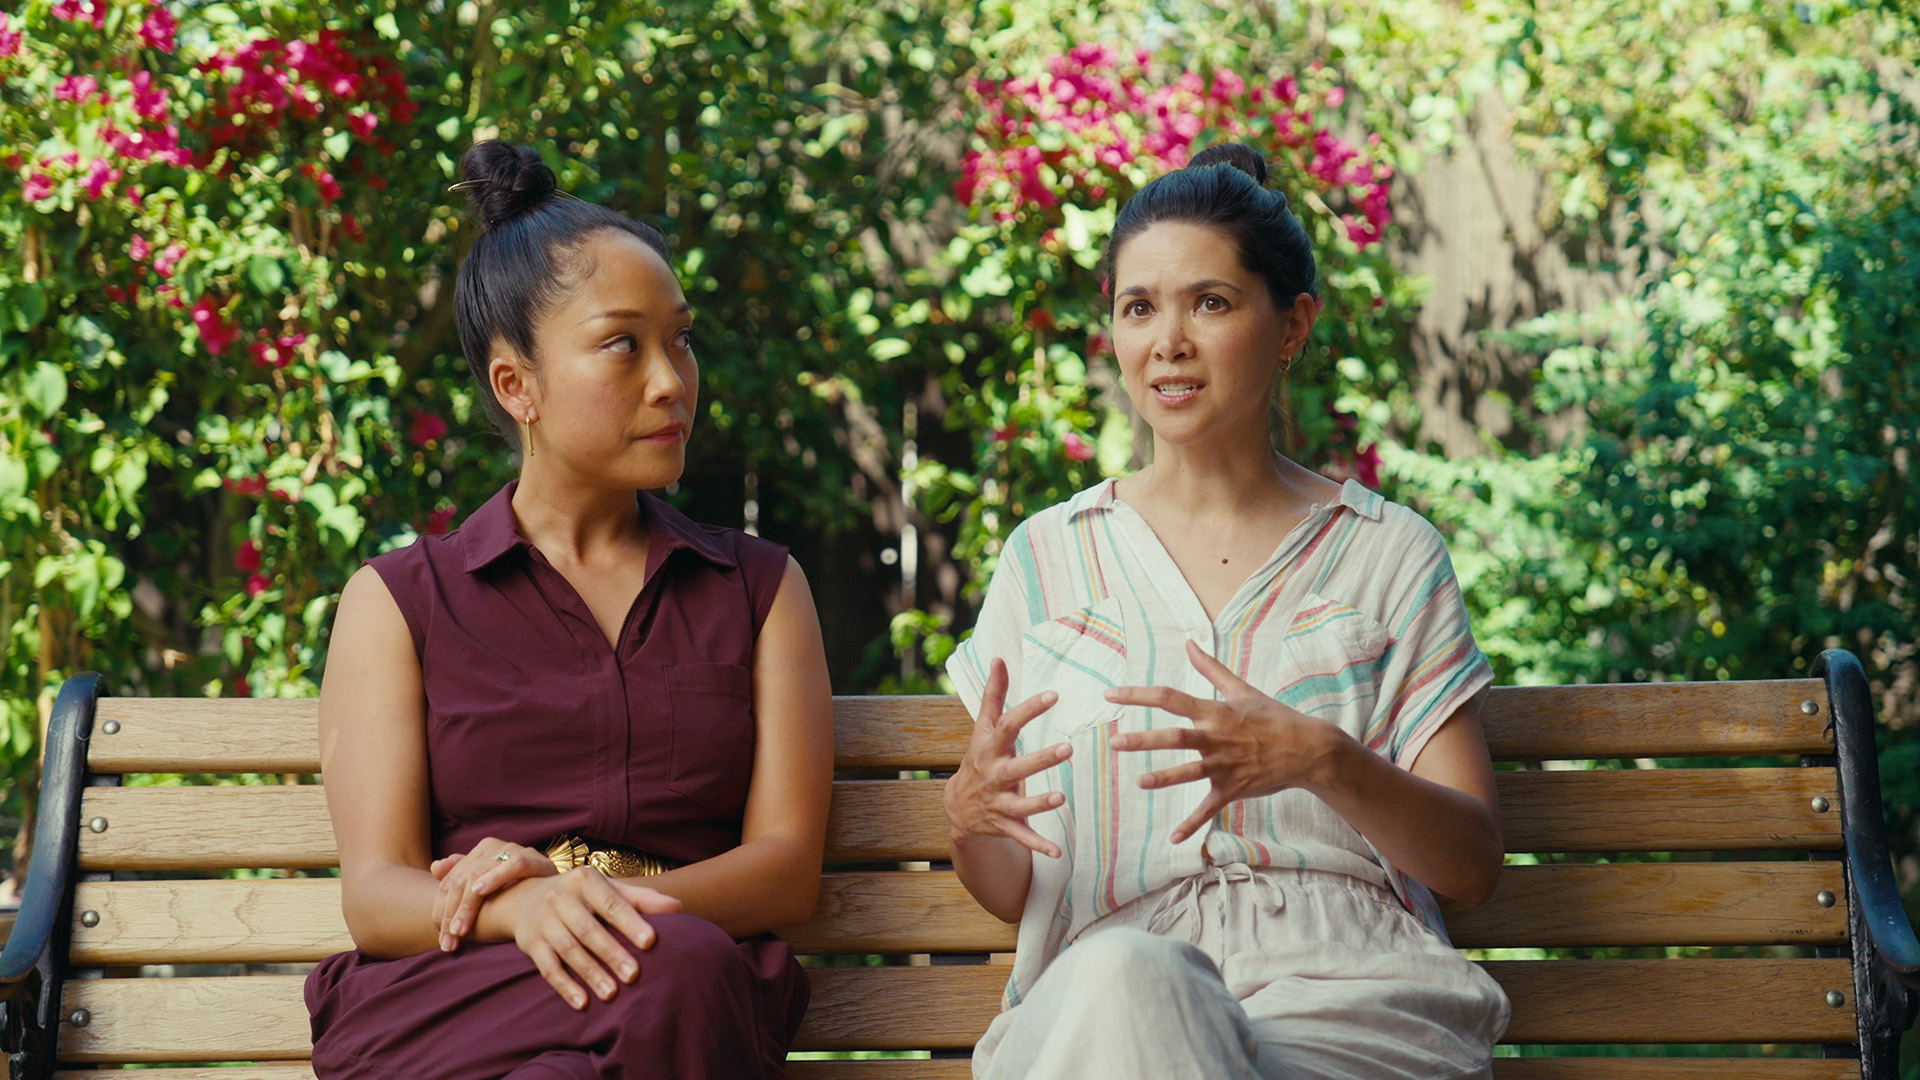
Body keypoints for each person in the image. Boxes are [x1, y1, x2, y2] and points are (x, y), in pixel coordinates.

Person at [941, 143, 1511, 1080]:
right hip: (1095, 1002)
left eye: (1210, 303)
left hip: (1349, 1002)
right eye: (1139, 308)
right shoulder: (1044, 559)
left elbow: (1472, 863)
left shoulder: (1390, 555)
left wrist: (1323, 760)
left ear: (1292, 327)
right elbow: (1011, 888)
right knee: (1131, 980)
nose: (1168, 341)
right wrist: (971, 822)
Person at [304, 140, 834, 1080]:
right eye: (624, 344)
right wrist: (524, 908)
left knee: (674, 982)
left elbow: (785, 871)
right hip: (459, 996)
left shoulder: (756, 589)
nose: (672, 380)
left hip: (686, 990)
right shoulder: (398, 602)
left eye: (681, 339)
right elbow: (379, 896)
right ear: (518, 386)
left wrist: (577, 888)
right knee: (677, 976)